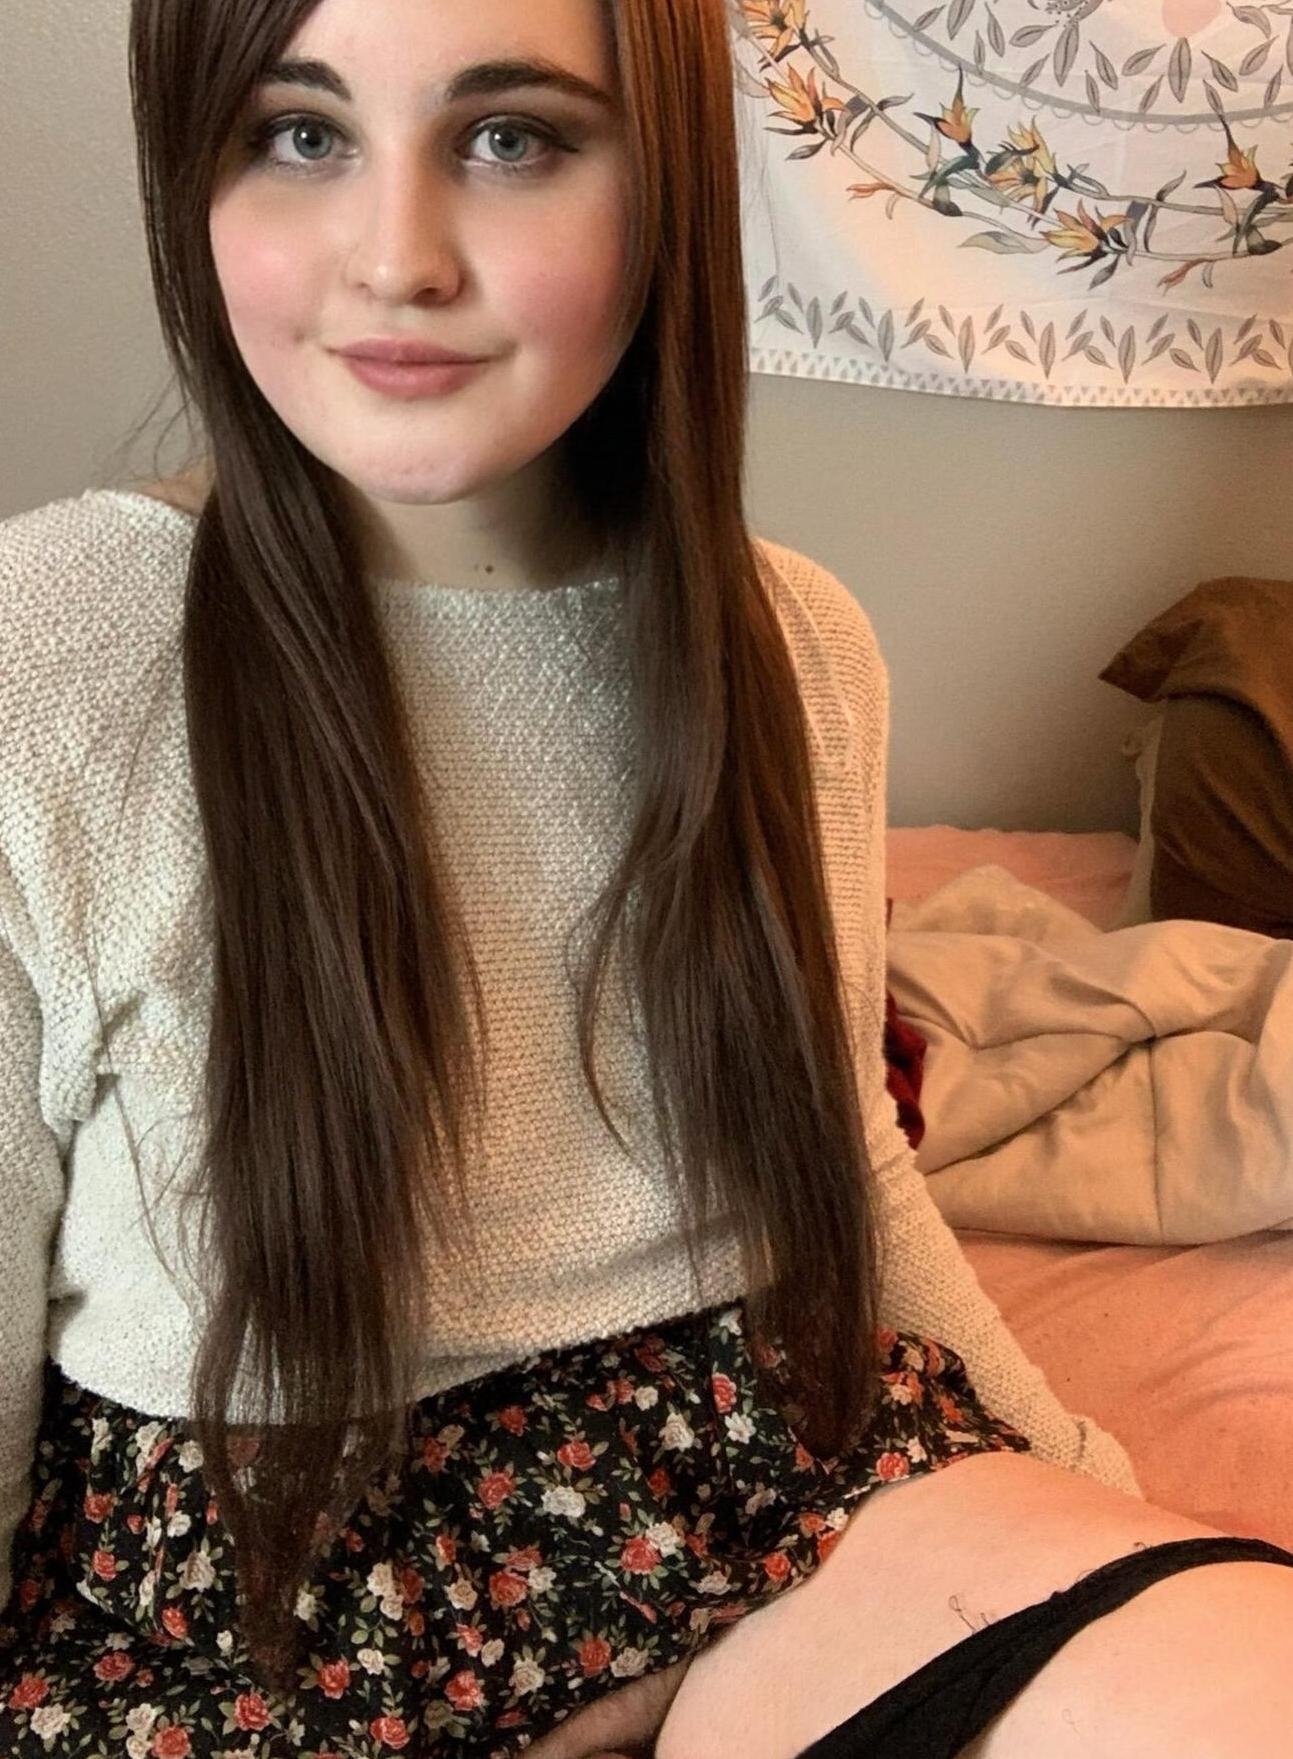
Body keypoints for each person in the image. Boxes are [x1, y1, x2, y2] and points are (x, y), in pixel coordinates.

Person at [1, 1, 1292, 1755]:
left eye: (510, 137)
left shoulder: (793, 641)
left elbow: (844, 1161)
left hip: (750, 1462)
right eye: (300, 134)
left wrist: (1084, 1492)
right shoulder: (51, 651)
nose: (396, 258)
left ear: (661, 177)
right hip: (253, 1594)